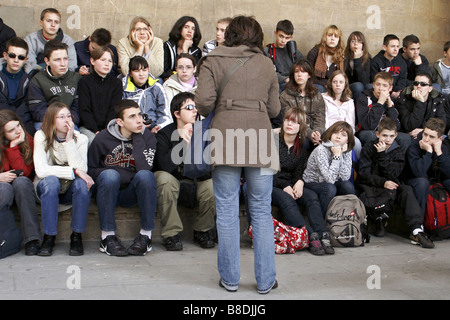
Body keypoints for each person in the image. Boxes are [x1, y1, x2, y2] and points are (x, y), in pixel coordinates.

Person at [195, 15, 280, 294]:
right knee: (261, 211)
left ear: (229, 34)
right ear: (257, 35)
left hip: (225, 136)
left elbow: (204, 104)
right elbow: (275, 110)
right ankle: (266, 281)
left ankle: (230, 280)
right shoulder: (267, 63)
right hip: (260, 137)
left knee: (228, 210)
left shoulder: (212, 59)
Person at [88, 99, 157, 257]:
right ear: (120, 121)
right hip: (107, 190)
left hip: (131, 192)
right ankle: (107, 237)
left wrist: (138, 137)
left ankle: (146, 236)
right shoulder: (102, 138)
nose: (139, 120)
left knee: (146, 176)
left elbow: (144, 168)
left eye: (139, 114)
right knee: (110, 175)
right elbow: (90, 169)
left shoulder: (148, 138)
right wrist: (113, 175)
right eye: (132, 117)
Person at [357, 118, 434, 248]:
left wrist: (383, 157)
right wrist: (383, 182)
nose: (387, 140)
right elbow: (364, 174)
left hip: (390, 186)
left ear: (396, 136)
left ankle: (417, 230)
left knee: (407, 190)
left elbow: (393, 175)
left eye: (391, 136)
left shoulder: (397, 151)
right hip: (372, 186)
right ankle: (379, 219)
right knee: (370, 191)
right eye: (384, 136)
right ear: (378, 134)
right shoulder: (369, 148)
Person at [154, 92, 215, 250]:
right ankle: (171, 234)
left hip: (197, 183)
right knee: (163, 179)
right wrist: (181, 141)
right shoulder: (165, 134)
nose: (195, 111)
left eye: (196, 108)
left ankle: (202, 230)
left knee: (213, 186)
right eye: (189, 107)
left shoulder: (204, 133)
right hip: (174, 183)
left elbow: (208, 169)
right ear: (177, 114)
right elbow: (164, 166)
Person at [33, 102, 93, 256]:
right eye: (61, 117)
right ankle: (49, 236)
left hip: (68, 189)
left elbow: (82, 170)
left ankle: (76, 236)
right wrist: (72, 171)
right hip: (46, 187)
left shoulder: (81, 139)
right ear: (51, 120)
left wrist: (69, 141)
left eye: (68, 116)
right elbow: (41, 170)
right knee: (52, 181)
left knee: (82, 184)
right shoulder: (41, 136)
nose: (67, 120)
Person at [272, 107, 333, 255]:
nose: (289, 124)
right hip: (272, 184)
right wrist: (284, 185)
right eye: (287, 120)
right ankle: (309, 235)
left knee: (311, 196)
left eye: (294, 122)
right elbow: (269, 172)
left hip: (291, 183)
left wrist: (299, 182)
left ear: (301, 127)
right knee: (287, 200)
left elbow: (298, 172)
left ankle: (322, 233)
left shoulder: (302, 147)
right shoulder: (273, 142)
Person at [0, 109, 41, 255]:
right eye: (11, 130)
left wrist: (13, 147)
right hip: (3, 190)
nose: (18, 131)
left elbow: (25, 172)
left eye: (18, 125)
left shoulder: (27, 140)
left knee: (22, 182)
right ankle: (3, 238)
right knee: (4, 187)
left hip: (23, 190)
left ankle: (32, 239)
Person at [302, 121, 356, 217]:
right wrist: (336, 156)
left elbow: (345, 177)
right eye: (335, 133)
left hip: (330, 180)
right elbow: (329, 179)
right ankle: (322, 220)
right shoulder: (321, 150)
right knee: (330, 188)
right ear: (330, 134)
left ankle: (347, 219)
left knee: (348, 186)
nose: (338, 137)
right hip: (312, 182)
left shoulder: (346, 150)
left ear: (348, 140)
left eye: (343, 135)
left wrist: (342, 154)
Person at [27, 40, 81, 131]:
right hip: (46, 122)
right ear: (47, 61)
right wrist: (57, 121)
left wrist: (68, 119)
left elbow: (78, 107)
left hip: (69, 122)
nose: (63, 64)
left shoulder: (76, 78)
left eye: (65, 59)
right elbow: (37, 109)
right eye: (57, 60)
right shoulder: (37, 80)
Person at [405, 118, 450, 221]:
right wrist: (429, 152)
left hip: (433, 179)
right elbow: (419, 172)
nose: (426, 139)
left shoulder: (442, 148)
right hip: (412, 180)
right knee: (422, 183)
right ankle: (419, 226)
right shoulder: (414, 146)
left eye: (431, 136)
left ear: (439, 139)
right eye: (425, 134)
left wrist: (439, 153)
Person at [78, 46, 123, 144]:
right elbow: (84, 110)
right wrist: (96, 131)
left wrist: (106, 130)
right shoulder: (84, 82)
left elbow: (114, 109)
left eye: (110, 61)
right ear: (92, 61)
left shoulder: (116, 83)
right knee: (94, 141)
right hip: (89, 128)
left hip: (110, 127)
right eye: (102, 60)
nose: (107, 64)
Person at [356, 72, 409, 153]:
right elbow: (368, 125)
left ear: (390, 88)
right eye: (378, 84)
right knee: (372, 136)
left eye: (384, 86)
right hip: (367, 131)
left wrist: (390, 107)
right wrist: (380, 103)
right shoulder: (363, 98)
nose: (380, 88)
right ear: (373, 85)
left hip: (386, 133)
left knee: (405, 138)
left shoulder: (390, 99)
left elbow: (396, 127)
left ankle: (397, 163)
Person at [278, 58, 325, 147]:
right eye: (296, 72)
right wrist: (309, 133)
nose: (299, 74)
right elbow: (292, 119)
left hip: (314, 130)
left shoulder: (317, 94)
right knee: (305, 142)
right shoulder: (285, 95)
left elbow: (320, 116)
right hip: (296, 131)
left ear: (309, 75)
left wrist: (318, 131)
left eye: (303, 72)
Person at [121, 56, 170, 133]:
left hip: (154, 127)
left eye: (144, 70)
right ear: (130, 73)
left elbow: (164, 112)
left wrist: (159, 126)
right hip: (131, 128)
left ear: (148, 70)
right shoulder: (123, 88)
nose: (141, 74)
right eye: (137, 71)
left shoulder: (156, 87)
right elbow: (121, 114)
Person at [396, 73, 447, 141]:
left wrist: (423, 131)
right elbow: (410, 126)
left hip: (429, 134)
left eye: (423, 84)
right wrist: (420, 103)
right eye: (416, 83)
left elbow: (441, 125)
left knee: (443, 138)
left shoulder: (438, 100)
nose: (418, 86)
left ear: (430, 89)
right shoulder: (404, 99)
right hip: (410, 134)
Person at [0, 37, 35, 135]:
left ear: (26, 60)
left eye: (21, 57)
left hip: (24, 121)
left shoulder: (31, 78)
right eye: (12, 55)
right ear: (5, 55)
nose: (16, 60)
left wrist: (16, 124)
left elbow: (27, 105)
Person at [322, 70, 362, 158]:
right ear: (330, 84)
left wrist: (345, 139)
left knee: (357, 144)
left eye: (341, 82)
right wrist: (333, 136)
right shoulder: (323, 98)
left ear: (345, 85)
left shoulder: (349, 102)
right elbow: (324, 120)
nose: (338, 84)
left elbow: (350, 124)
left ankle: (357, 169)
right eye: (335, 82)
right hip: (328, 133)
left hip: (344, 134)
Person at [24, 8, 77, 73]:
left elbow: (71, 66)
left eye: (56, 22)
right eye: (49, 21)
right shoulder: (31, 39)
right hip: (37, 77)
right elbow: (29, 65)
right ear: (41, 23)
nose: (53, 25)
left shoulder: (66, 40)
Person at [264, 19, 304, 93]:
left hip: (294, 81)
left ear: (291, 38)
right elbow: (268, 72)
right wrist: (285, 79)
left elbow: (305, 66)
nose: (283, 41)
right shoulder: (268, 51)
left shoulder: (293, 51)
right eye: (281, 36)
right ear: (275, 33)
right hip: (278, 83)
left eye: (287, 38)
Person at [307, 25, 346, 92]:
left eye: (336, 36)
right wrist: (326, 85)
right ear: (325, 37)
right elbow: (309, 75)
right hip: (317, 86)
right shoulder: (315, 52)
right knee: (320, 88)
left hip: (334, 86)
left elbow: (342, 77)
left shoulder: (342, 56)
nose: (332, 38)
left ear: (339, 39)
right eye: (330, 35)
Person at [162, 16, 202, 80]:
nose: (190, 31)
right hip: (168, 81)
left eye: (193, 29)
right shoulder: (167, 46)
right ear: (179, 28)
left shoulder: (196, 51)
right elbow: (163, 71)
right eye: (186, 27)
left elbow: (193, 73)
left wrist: (185, 49)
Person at [370, 34, 407, 100]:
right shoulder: (376, 61)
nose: (396, 49)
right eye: (392, 46)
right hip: (381, 92)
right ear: (384, 47)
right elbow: (375, 80)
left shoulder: (401, 61)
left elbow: (402, 79)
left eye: (397, 46)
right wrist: (391, 93)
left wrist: (398, 91)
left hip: (397, 92)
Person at [344, 31, 372, 100]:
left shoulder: (367, 58)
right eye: (353, 41)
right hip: (348, 85)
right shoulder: (344, 56)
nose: (356, 44)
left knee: (370, 86)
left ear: (363, 45)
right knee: (358, 86)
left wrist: (357, 60)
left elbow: (364, 81)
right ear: (349, 44)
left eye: (359, 41)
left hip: (363, 84)